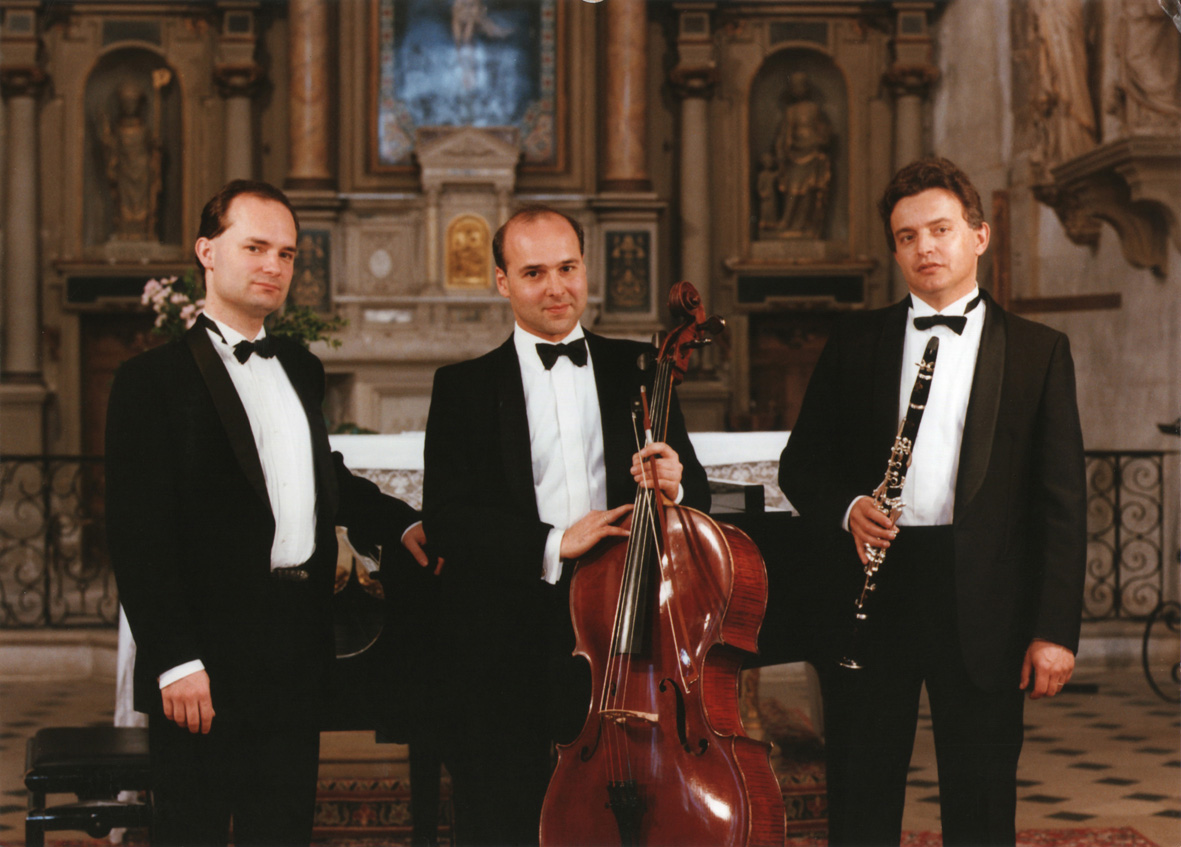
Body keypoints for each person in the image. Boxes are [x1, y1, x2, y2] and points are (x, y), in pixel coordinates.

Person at [105, 179, 429, 846]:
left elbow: (319, 477)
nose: (274, 266)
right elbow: (139, 535)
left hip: (295, 644)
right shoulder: (150, 380)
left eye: (286, 253)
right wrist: (176, 660)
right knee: (192, 833)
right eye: (255, 247)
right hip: (205, 654)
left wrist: (400, 522)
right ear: (207, 251)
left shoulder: (301, 368)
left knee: (280, 830)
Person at [779, 158, 1086, 846]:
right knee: (860, 793)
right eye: (907, 236)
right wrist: (848, 506)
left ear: (978, 235)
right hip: (873, 589)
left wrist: (1054, 630)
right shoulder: (855, 341)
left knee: (981, 801)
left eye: (940, 229)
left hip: (984, 601)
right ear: (895, 250)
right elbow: (800, 464)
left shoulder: (1039, 351)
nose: (925, 247)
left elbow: (1061, 504)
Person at [422, 205, 710, 845]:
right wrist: (554, 542)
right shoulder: (463, 387)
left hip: (626, 621)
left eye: (567, 268)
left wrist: (678, 483)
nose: (556, 287)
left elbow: (698, 495)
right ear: (502, 282)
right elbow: (446, 521)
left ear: (585, 269)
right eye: (534, 273)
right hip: (512, 624)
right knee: (505, 810)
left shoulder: (642, 369)